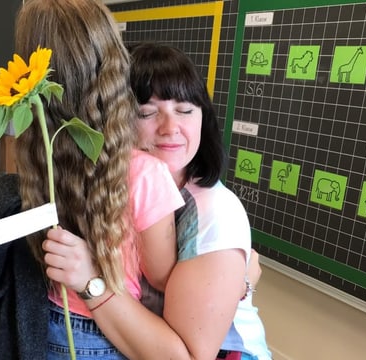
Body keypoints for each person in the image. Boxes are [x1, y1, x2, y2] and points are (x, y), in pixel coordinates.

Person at [0, 0, 183, 358]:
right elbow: (164, 281)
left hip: (38, 328)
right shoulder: (146, 174)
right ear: (112, 68)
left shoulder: (39, 164)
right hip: (106, 337)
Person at [44, 42, 272, 360]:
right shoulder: (105, 183)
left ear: (203, 119)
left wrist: (92, 282)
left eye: (185, 110)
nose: (170, 128)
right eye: (147, 113)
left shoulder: (213, 212)